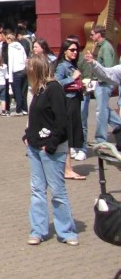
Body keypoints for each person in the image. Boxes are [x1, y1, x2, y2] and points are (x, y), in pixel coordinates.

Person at [24, 55, 78, 246]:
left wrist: (52, 144)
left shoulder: (54, 89)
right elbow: (36, 117)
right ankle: (37, 230)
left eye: (29, 68)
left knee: (57, 191)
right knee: (37, 190)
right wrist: (27, 135)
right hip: (35, 146)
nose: (26, 72)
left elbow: (61, 120)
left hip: (51, 148)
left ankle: (67, 231)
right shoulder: (37, 90)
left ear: (37, 70)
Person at [54, 39, 87, 179]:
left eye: (76, 50)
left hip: (75, 100)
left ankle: (66, 168)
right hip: (67, 102)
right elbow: (56, 83)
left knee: (70, 136)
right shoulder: (62, 66)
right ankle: (67, 169)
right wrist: (72, 79)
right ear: (65, 51)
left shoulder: (73, 65)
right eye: (72, 50)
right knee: (66, 136)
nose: (75, 52)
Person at [86, 25, 121, 145]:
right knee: (104, 109)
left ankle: (100, 139)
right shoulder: (101, 46)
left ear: (98, 34)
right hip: (102, 82)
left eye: (92, 34)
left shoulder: (106, 47)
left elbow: (108, 69)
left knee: (101, 111)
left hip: (104, 83)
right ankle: (119, 127)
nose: (90, 37)